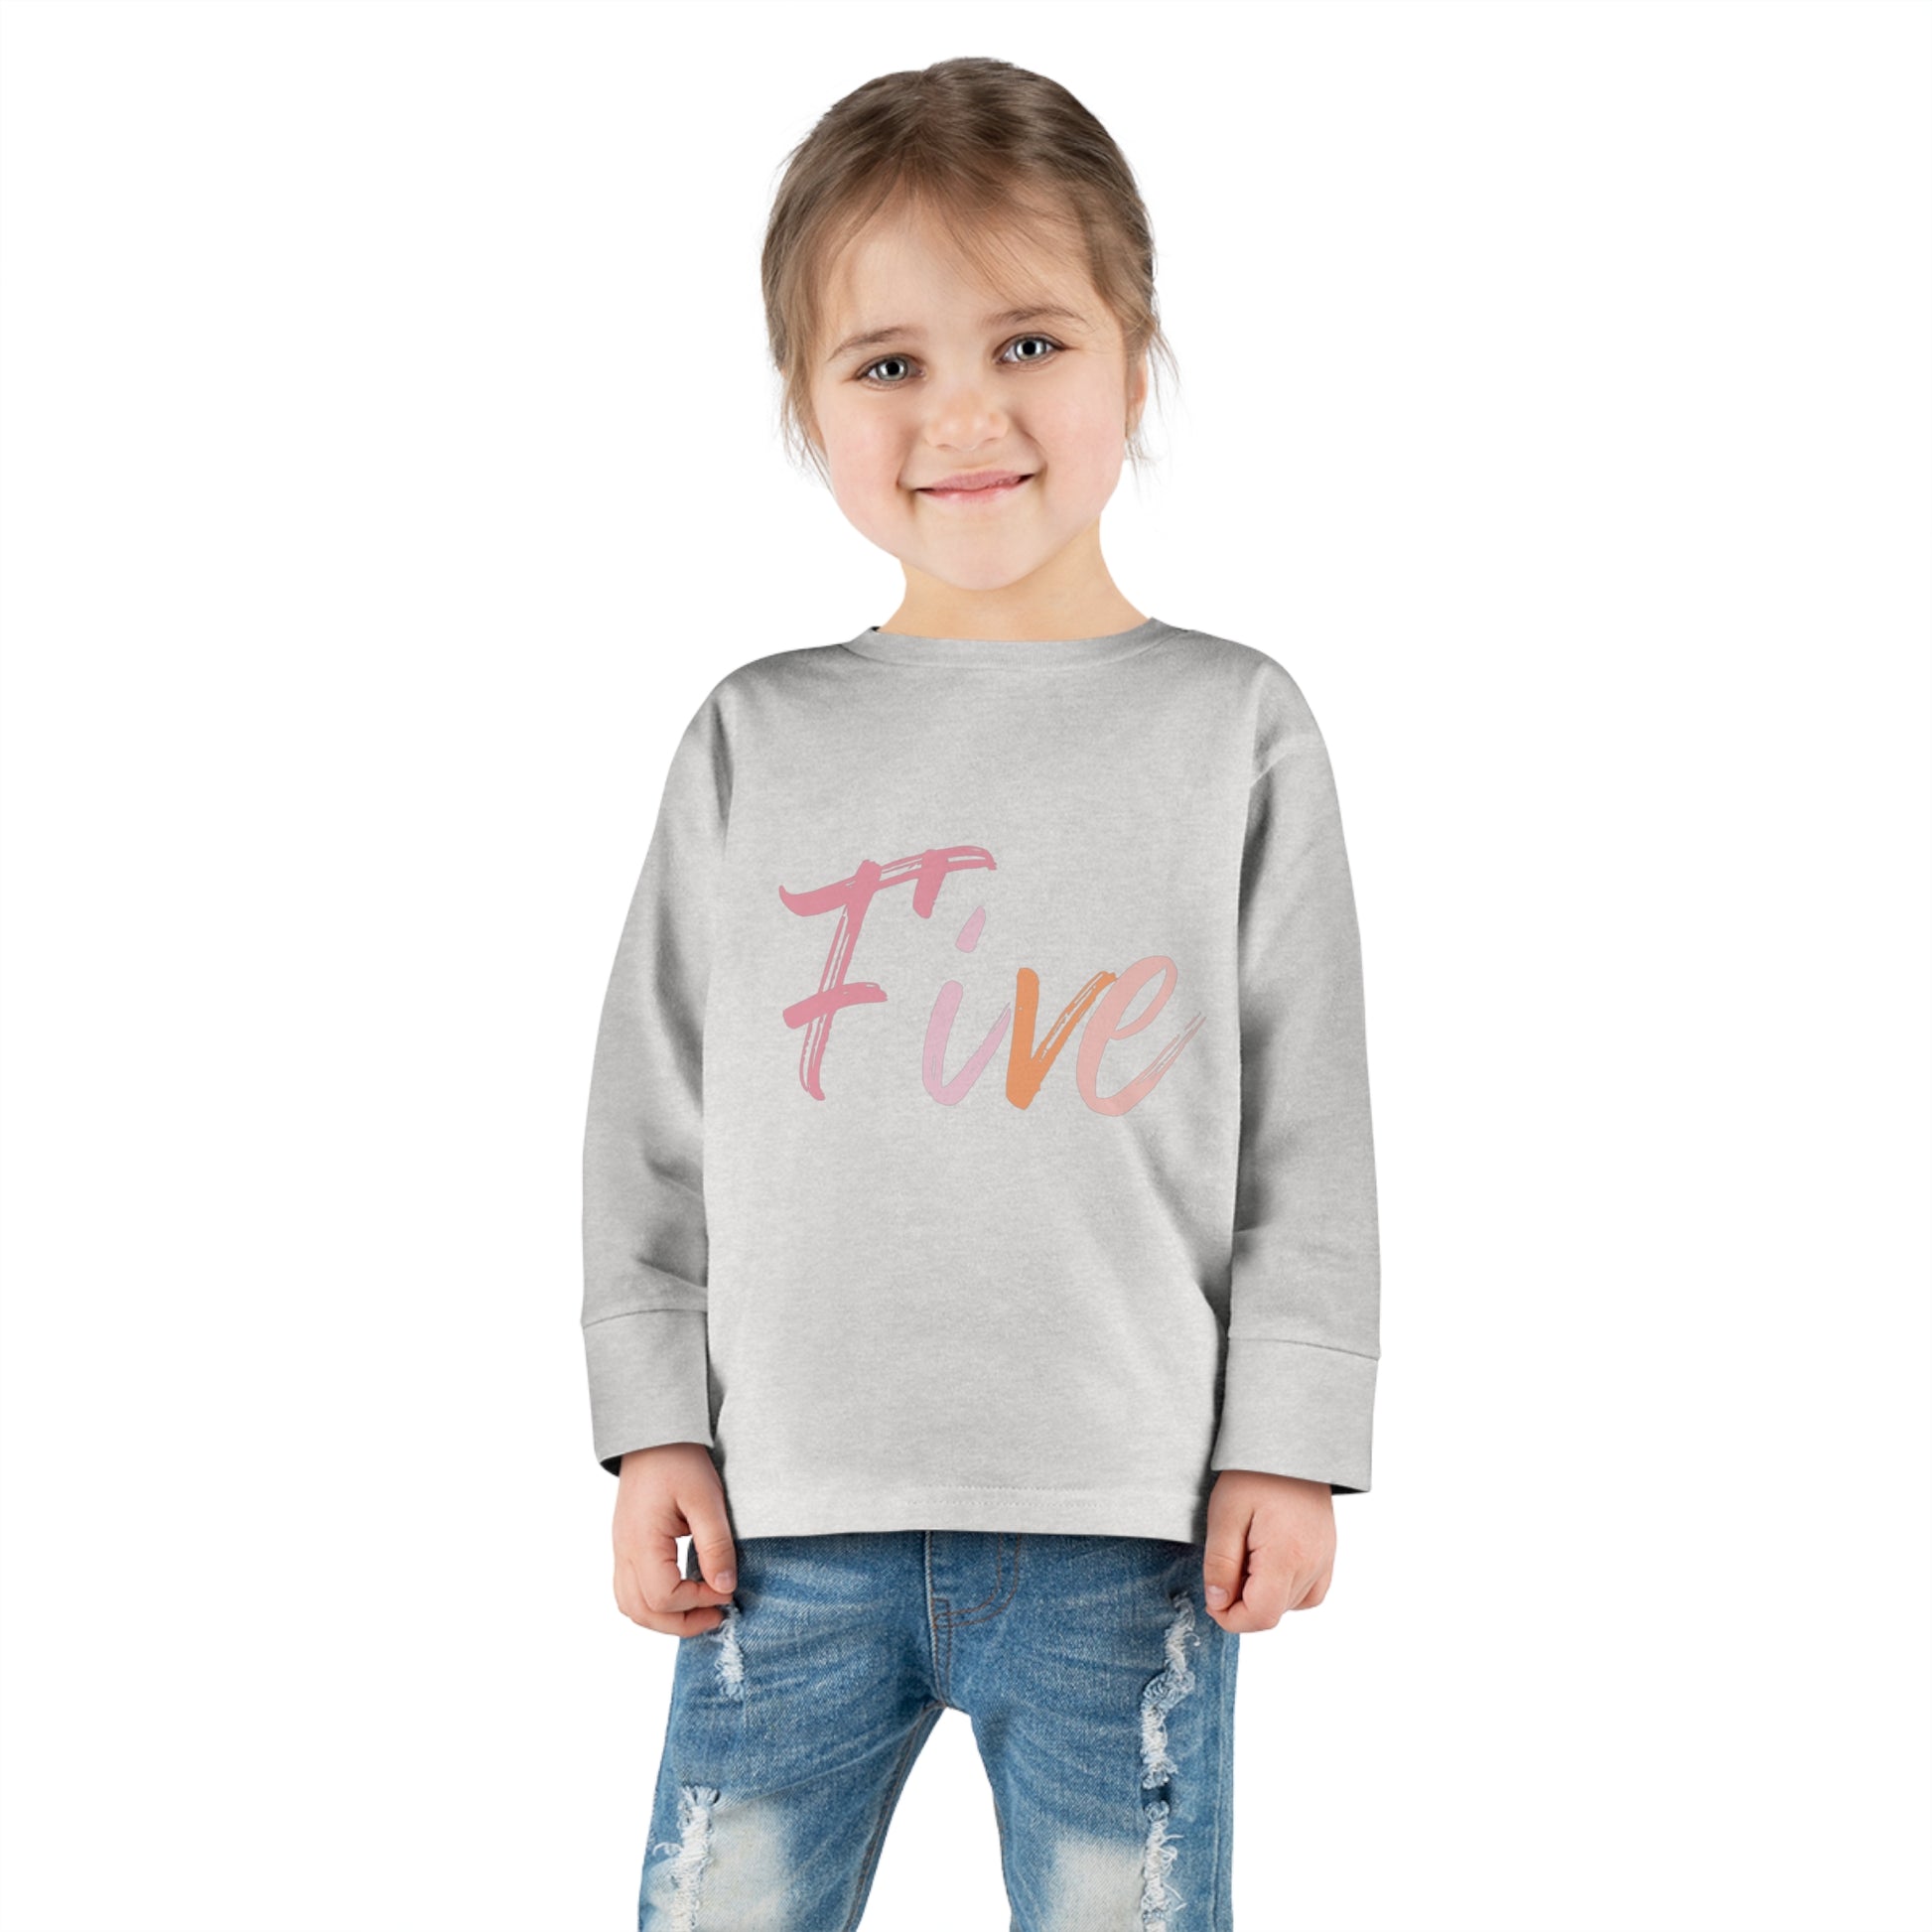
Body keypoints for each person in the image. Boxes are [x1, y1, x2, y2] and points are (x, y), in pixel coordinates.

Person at [580, 55, 1382, 1932]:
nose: (964, 415)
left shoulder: (1233, 726)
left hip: (1127, 1525)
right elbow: (649, 1114)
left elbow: (1307, 1119)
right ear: (808, 402)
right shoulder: (754, 736)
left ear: (1132, 353)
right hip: (784, 1526)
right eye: (888, 363)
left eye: (1027, 342)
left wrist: (1288, 1435)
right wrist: (654, 1421)